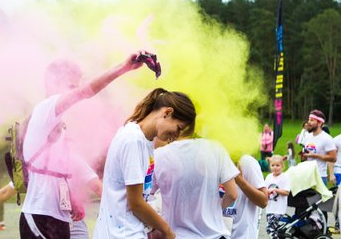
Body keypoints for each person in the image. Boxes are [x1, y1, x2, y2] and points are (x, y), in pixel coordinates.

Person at [19, 51, 150, 239]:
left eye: (76, 86)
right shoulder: (46, 108)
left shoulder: (57, 126)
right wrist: (123, 67)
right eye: (71, 86)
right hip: (40, 217)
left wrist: (72, 200)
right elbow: (85, 92)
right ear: (52, 83)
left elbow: (53, 171)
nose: (75, 92)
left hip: (56, 218)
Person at [92, 88, 196, 239]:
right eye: (178, 128)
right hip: (122, 234)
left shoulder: (145, 140)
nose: (176, 136)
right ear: (167, 113)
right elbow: (136, 203)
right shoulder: (133, 140)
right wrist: (167, 230)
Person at [0, 150, 103, 239]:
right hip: (41, 226)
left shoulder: (71, 157)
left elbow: (98, 188)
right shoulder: (33, 163)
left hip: (73, 227)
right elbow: (6, 192)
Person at [151, 136, 238, 239]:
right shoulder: (215, 148)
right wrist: (214, 209)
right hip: (214, 234)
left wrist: (156, 226)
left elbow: (145, 198)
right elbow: (232, 194)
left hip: (175, 235)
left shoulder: (159, 155)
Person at [224, 155, 268, 239]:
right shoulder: (208, 161)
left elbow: (263, 201)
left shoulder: (246, 162)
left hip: (242, 235)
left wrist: (239, 180)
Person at [301, 109, 336, 186]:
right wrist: (303, 157)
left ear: (320, 123)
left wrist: (314, 155)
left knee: (319, 198)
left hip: (319, 177)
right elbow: (305, 157)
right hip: (307, 175)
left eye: (312, 120)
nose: (308, 122)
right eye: (309, 120)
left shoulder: (327, 138)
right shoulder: (307, 137)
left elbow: (333, 158)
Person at [265, 155, 291, 239]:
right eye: (272, 165)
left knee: (270, 229)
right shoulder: (269, 177)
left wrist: (275, 190)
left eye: (277, 165)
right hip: (269, 208)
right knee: (275, 231)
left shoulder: (284, 177)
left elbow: (286, 192)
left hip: (279, 209)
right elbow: (264, 190)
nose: (275, 168)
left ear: (282, 166)